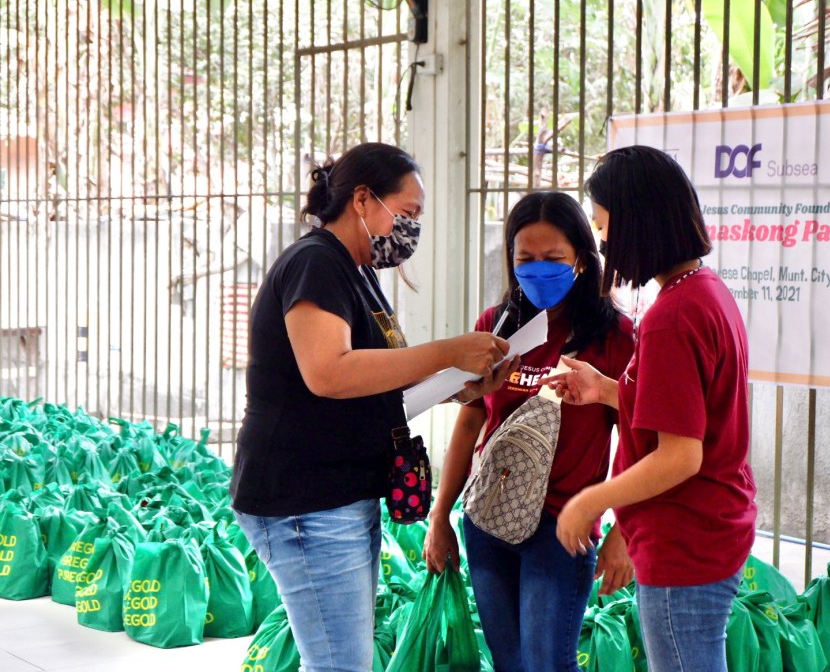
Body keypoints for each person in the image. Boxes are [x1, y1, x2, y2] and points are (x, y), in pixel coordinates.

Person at [230, 142, 514, 672]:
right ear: (362, 199)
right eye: (406, 212)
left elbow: (374, 379)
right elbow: (329, 373)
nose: (411, 229)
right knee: (340, 664)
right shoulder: (316, 263)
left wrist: (458, 386)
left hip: (338, 495)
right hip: (305, 500)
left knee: (339, 660)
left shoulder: (356, 272)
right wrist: (447, 351)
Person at [542, 146, 758, 672]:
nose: (603, 243)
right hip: (710, 529)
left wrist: (591, 501)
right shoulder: (704, 291)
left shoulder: (672, 317)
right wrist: (605, 390)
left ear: (637, 222)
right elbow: (688, 411)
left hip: (684, 541)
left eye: (604, 227)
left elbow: (680, 455)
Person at [422, 191, 635, 671]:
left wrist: (624, 530)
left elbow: (640, 438)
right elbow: (471, 420)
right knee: (509, 662)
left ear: (582, 259)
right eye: (526, 259)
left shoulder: (614, 337)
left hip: (563, 527)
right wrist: (441, 516)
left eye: (553, 259)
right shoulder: (495, 330)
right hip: (488, 520)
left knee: (546, 662)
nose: (539, 270)